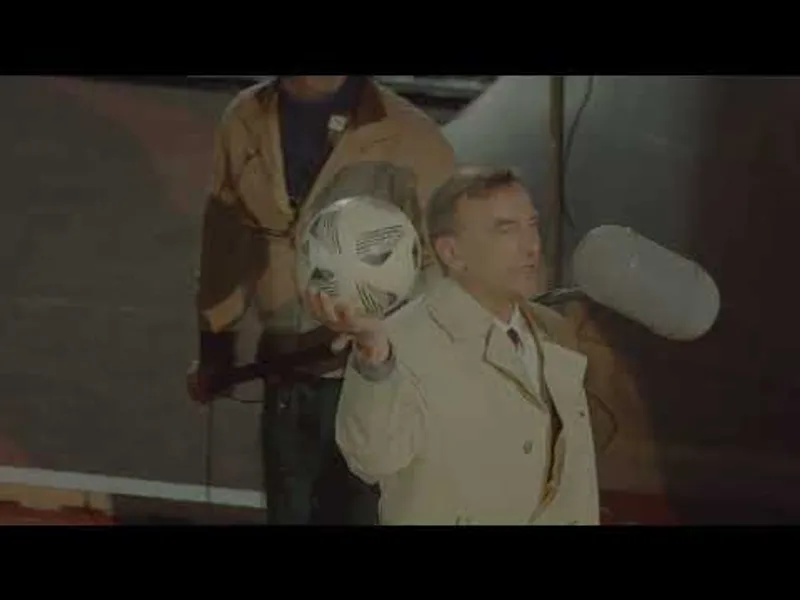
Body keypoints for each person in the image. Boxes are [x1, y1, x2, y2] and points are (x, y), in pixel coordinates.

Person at [186, 76, 455, 524]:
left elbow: (449, 263)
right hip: (286, 372)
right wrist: (215, 347)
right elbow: (224, 241)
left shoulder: (412, 137)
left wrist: (392, 347)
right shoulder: (246, 119)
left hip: (376, 383)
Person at [307, 165, 600, 525]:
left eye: (532, 225)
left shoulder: (554, 332)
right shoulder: (400, 340)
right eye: (506, 229)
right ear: (451, 252)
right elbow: (372, 459)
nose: (532, 246)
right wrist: (374, 360)